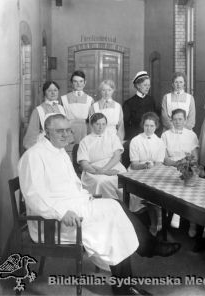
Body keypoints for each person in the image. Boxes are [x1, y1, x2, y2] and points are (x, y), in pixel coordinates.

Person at [18, 114, 181, 295]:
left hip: (76, 207)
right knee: (114, 218)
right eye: (59, 131)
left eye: (68, 130)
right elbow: (33, 195)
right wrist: (60, 213)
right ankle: (144, 255)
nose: (65, 135)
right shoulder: (34, 155)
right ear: (46, 132)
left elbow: (72, 185)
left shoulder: (60, 151)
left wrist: (85, 198)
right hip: (56, 221)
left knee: (115, 208)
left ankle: (131, 278)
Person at [161, 108, 199, 233]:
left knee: (189, 185)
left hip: (188, 167)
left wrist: (186, 165)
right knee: (172, 183)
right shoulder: (165, 135)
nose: (177, 122)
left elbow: (195, 158)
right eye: (175, 119)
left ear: (185, 120)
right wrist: (177, 164)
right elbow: (165, 159)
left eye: (180, 119)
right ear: (171, 120)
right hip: (171, 167)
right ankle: (174, 215)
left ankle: (192, 222)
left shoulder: (191, 135)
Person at [129, 112, 166, 235]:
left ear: (156, 126)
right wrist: (144, 166)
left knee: (157, 190)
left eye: (151, 126)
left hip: (155, 171)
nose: (149, 128)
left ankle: (158, 221)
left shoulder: (160, 142)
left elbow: (159, 163)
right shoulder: (135, 140)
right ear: (142, 125)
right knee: (146, 191)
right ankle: (153, 222)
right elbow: (134, 164)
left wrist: (152, 169)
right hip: (137, 171)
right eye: (146, 125)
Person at [77, 113, 126, 200]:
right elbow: (84, 164)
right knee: (101, 181)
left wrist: (105, 169)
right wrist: (105, 172)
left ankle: (123, 205)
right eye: (97, 124)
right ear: (92, 125)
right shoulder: (85, 141)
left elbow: (117, 157)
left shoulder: (112, 137)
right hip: (93, 171)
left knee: (125, 179)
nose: (101, 127)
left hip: (114, 166)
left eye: (103, 124)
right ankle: (105, 206)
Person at [23, 81, 66, 150]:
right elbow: (32, 132)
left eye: (55, 90)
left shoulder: (61, 108)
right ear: (44, 92)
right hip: (44, 145)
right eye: (49, 90)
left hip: (60, 145)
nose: (53, 93)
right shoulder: (38, 110)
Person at [123, 71, 160, 141]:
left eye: (149, 85)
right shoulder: (129, 103)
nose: (147, 87)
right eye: (145, 85)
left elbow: (156, 120)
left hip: (150, 136)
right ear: (138, 85)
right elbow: (126, 124)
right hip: (135, 137)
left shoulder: (151, 100)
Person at [61, 70, 94, 145]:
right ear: (72, 83)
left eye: (81, 81)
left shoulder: (90, 99)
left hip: (84, 131)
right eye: (75, 81)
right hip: (69, 130)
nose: (78, 84)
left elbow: (92, 121)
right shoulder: (64, 98)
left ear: (85, 82)